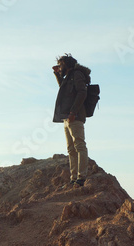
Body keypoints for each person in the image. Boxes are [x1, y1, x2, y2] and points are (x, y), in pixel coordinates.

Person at [52, 54, 91, 187]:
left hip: (75, 116)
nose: (59, 67)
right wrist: (58, 74)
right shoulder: (69, 77)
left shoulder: (77, 74)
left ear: (68, 65)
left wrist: (73, 112)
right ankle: (73, 178)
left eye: (61, 65)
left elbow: (82, 92)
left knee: (79, 145)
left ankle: (81, 177)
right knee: (71, 149)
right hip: (67, 117)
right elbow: (64, 88)